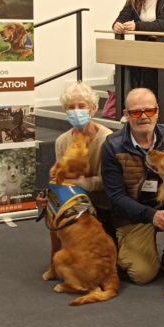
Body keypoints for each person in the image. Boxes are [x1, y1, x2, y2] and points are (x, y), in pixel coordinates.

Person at [100, 87, 164, 285]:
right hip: (133, 214)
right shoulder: (112, 146)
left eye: (149, 111)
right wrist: (151, 216)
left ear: (157, 111)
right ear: (126, 115)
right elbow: (116, 197)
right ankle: (119, 245)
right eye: (135, 112)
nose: (143, 117)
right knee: (143, 274)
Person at [48, 82, 115, 233]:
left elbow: (106, 181)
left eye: (81, 106)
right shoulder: (61, 141)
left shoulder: (107, 138)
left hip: (102, 207)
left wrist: (77, 182)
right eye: (71, 107)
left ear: (92, 109)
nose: (76, 111)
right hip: (72, 204)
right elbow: (60, 177)